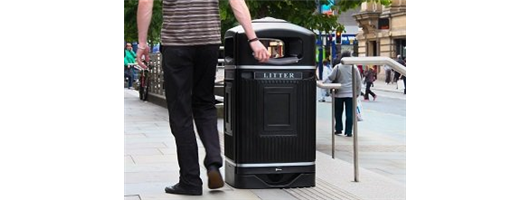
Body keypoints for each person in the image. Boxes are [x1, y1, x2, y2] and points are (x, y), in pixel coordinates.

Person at [136, 0, 270, 196]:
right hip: (208, 44)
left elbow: (145, 2)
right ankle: (214, 162)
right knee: (205, 104)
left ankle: (190, 180)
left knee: (180, 112)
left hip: (176, 44)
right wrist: (253, 39)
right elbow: (237, 3)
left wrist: (142, 43)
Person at [324, 51, 362, 137]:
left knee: (338, 112)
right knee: (350, 113)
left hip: (339, 93)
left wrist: (323, 84)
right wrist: (358, 92)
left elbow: (331, 77)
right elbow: (358, 81)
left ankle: (338, 129)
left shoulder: (337, 67)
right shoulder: (354, 68)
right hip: (350, 94)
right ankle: (348, 131)